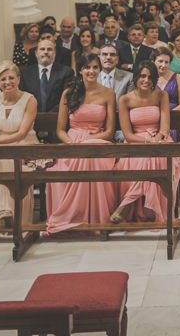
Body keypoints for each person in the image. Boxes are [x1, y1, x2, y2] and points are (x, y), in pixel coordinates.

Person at [44, 53, 117, 236]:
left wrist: (88, 141)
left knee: (93, 158)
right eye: (87, 67)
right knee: (66, 164)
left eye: (95, 67)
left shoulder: (108, 93)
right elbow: (60, 129)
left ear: (100, 70)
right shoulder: (69, 93)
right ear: (80, 70)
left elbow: (109, 131)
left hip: (98, 139)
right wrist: (72, 143)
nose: (91, 71)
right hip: (72, 140)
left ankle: (96, 218)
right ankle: (72, 217)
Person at [112, 61, 180, 223]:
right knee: (146, 159)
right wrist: (147, 141)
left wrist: (156, 139)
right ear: (136, 77)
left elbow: (164, 128)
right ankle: (135, 204)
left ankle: (127, 204)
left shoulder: (161, 95)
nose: (146, 80)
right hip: (136, 142)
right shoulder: (124, 100)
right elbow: (128, 135)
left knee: (156, 158)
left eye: (150, 77)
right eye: (142, 76)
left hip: (160, 140)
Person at [0, 61, 39, 230]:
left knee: (9, 160)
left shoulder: (30, 100)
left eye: (11, 78)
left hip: (23, 144)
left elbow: (22, 133)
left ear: (18, 79)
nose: (7, 82)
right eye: (3, 79)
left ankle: (10, 213)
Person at [20, 38, 74, 115]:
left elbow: (67, 98)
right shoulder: (25, 73)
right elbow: (22, 98)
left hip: (57, 117)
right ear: (36, 53)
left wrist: (48, 117)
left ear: (54, 53)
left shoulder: (66, 72)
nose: (46, 52)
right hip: (31, 118)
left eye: (49, 49)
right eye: (42, 49)